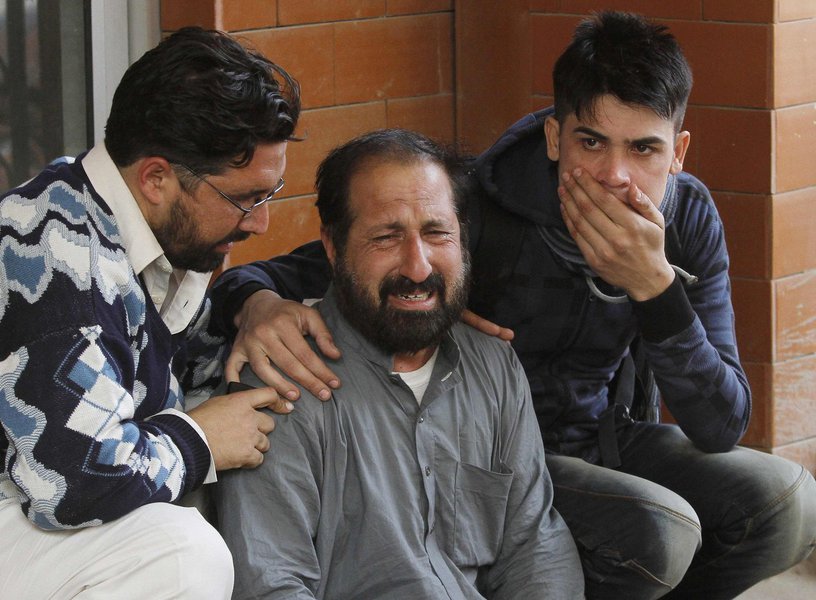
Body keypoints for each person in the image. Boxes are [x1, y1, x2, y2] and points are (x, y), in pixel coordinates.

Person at [210, 11, 816, 600]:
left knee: (785, 502)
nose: (614, 176)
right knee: (661, 530)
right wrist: (256, 303)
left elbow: (721, 422)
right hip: (489, 455)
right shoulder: (472, 208)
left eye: (644, 150)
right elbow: (322, 262)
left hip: (606, 437)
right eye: (591, 142)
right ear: (554, 137)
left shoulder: (686, 217)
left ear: (678, 153)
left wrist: (656, 290)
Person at [214, 128, 584, 599]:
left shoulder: (494, 365)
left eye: (436, 233)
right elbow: (272, 584)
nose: (418, 266)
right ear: (332, 247)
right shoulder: (281, 382)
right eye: (386, 238)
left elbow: (535, 545)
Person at [0, 27, 299, 598]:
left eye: (271, 192)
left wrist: (256, 301)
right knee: (182, 554)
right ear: (156, 178)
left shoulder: (135, 220)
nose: (261, 223)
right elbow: (74, 483)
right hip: (31, 498)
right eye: (246, 199)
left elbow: (192, 354)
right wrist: (199, 440)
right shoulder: (60, 263)